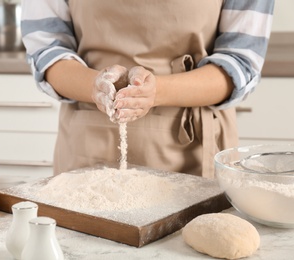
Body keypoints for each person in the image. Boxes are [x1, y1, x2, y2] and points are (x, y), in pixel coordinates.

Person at [21, 0, 275, 178]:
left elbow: (241, 62)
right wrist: (93, 85)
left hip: (194, 151)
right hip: (88, 143)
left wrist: (158, 91)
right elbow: (47, 50)